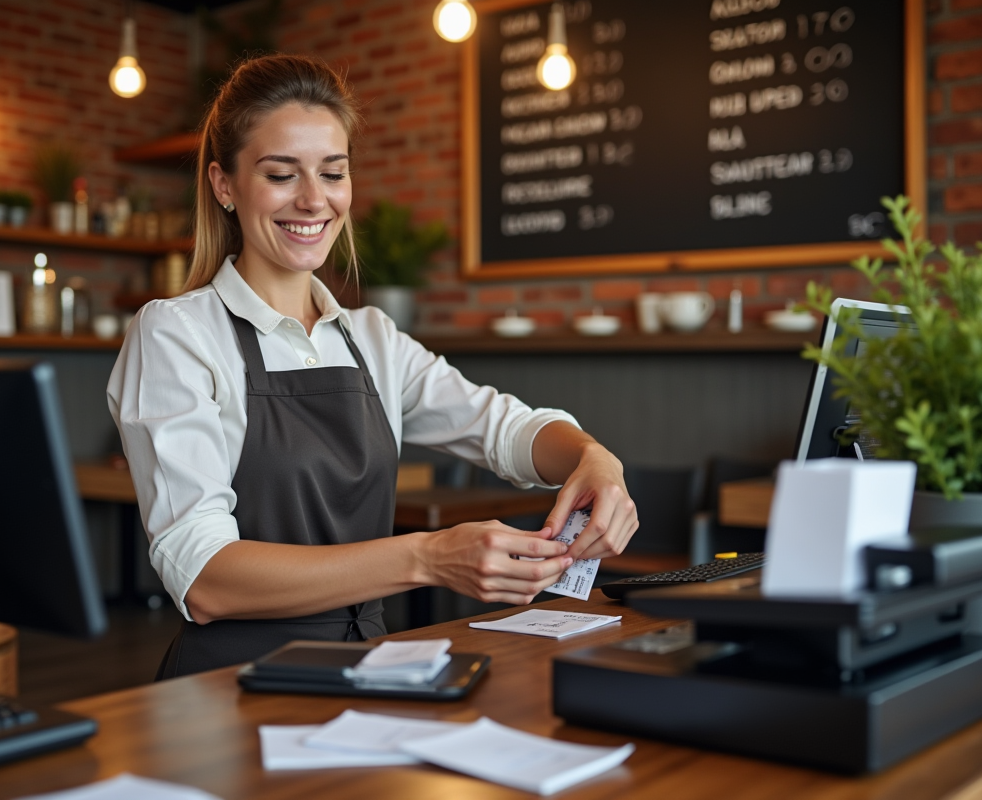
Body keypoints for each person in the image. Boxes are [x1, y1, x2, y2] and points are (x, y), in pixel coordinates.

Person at [107, 54, 638, 679]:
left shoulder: (371, 339)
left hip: (362, 676)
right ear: (224, 185)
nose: (313, 200)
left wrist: (593, 459)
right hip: (228, 688)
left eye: (333, 173)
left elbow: (509, 431)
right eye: (281, 174)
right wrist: (428, 558)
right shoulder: (177, 333)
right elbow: (205, 579)